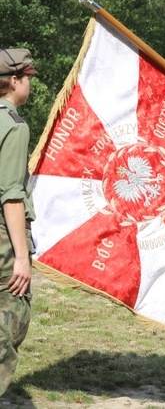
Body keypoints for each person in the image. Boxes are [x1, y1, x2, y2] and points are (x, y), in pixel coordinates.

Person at [0, 49, 35, 395]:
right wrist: (21, 258)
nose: (30, 85)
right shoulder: (13, 125)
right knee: (12, 321)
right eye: (27, 78)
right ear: (14, 81)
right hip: (3, 240)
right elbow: (11, 195)